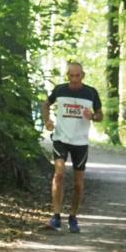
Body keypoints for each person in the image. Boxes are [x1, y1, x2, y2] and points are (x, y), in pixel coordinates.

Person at [42, 61, 102, 233]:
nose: (74, 79)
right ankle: (56, 216)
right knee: (59, 174)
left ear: (83, 75)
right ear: (67, 76)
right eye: (71, 76)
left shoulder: (91, 92)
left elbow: (100, 115)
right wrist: (47, 121)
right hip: (61, 138)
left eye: (77, 75)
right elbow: (46, 104)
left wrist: (93, 116)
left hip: (80, 142)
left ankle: (73, 217)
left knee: (78, 185)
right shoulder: (60, 90)